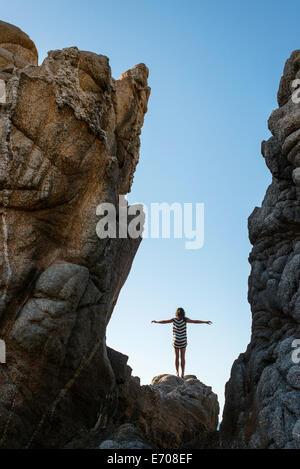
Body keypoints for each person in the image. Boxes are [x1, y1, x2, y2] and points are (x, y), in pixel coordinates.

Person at [151, 307, 212, 378]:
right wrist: (205, 322)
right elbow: (195, 321)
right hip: (183, 340)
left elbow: (165, 321)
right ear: (183, 313)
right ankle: (182, 374)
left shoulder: (174, 320)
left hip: (176, 340)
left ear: (176, 313)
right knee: (182, 357)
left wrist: (156, 321)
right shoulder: (185, 319)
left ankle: (177, 373)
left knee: (176, 357)